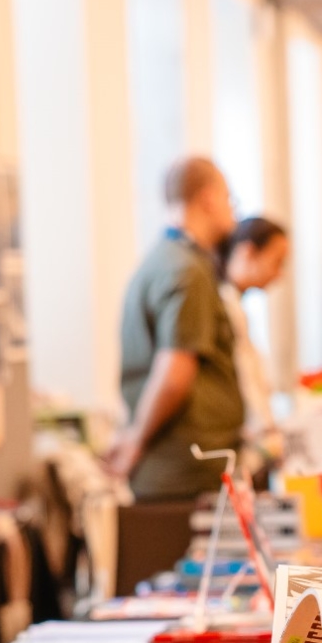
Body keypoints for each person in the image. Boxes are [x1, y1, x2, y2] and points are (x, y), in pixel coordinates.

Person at [110, 156, 246, 501]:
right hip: (186, 474)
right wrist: (134, 443)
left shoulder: (162, 258)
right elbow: (174, 373)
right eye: (229, 198)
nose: (232, 210)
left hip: (176, 468)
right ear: (209, 198)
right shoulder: (187, 270)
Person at [218, 216, 291, 474]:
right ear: (248, 252)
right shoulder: (224, 303)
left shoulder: (235, 303)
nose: (279, 274)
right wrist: (266, 432)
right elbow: (244, 376)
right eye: (277, 262)